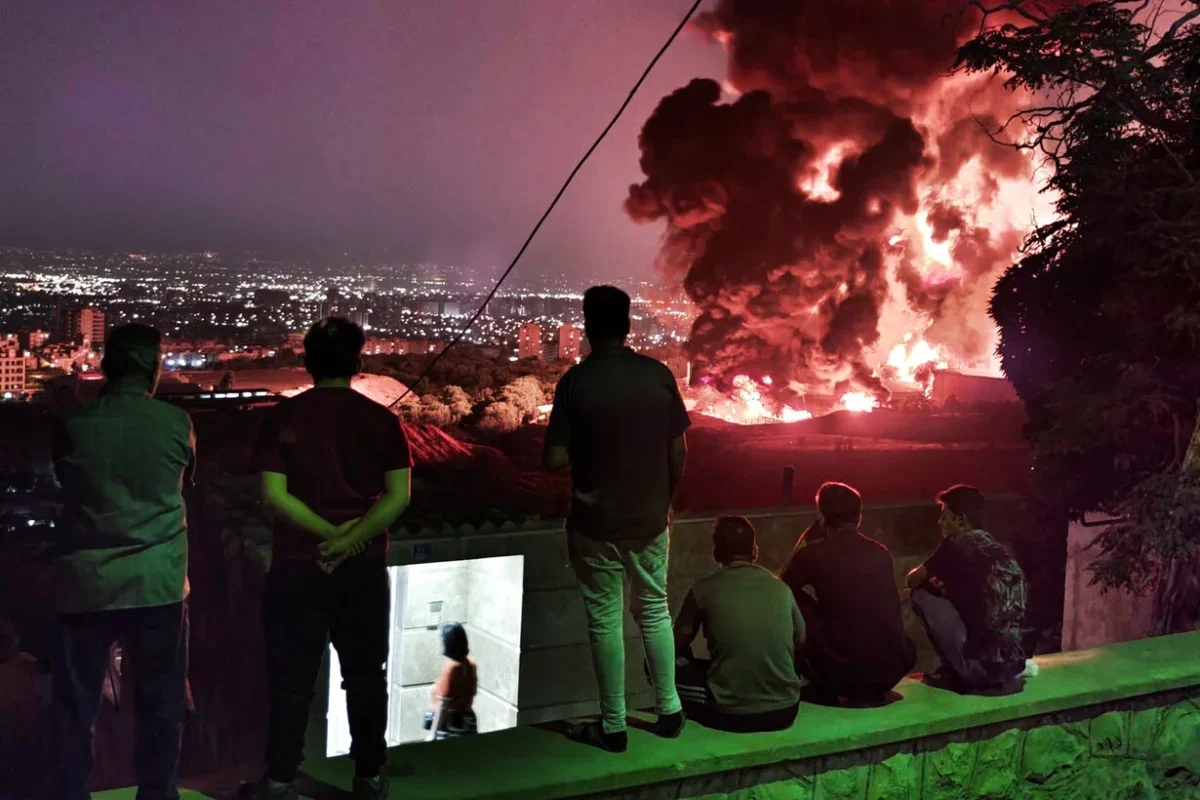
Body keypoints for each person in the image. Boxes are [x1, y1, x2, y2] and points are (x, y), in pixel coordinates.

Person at [243, 317, 413, 800]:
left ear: (307, 362)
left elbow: (274, 496)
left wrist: (326, 537)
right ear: (358, 362)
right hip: (361, 570)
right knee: (364, 676)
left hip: (297, 567)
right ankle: (370, 775)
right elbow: (397, 497)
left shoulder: (283, 420)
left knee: (292, 678)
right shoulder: (383, 421)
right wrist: (351, 539)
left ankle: (279, 780)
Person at [49, 323, 194, 800]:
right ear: (153, 369)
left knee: (76, 705)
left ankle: (71, 791)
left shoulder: (74, 425)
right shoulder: (177, 424)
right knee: (160, 703)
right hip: (158, 584)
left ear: (109, 367)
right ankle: (157, 794)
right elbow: (183, 480)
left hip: (86, 584)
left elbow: (65, 486)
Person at [544, 285, 688, 752]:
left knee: (605, 620)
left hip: (594, 523)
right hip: (650, 520)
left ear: (587, 328)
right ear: (628, 325)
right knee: (654, 609)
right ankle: (669, 711)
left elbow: (553, 459)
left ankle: (614, 725)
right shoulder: (659, 376)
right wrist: (665, 498)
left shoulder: (575, 383)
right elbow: (679, 450)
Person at [780, 482, 915, 705]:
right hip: (891, 671)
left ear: (822, 517)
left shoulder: (813, 554)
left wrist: (804, 540)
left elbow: (780, 590)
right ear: (858, 517)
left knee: (790, 597)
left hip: (845, 676)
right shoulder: (879, 552)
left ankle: (794, 676)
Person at [672, 517, 805, 732]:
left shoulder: (703, 589)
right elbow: (801, 640)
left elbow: (674, 645)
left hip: (732, 715)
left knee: (655, 663)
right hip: (786, 710)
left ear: (716, 554)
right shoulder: (780, 588)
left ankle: (674, 716)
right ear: (755, 551)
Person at [906, 485, 1030, 694]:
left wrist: (932, 584)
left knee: (921, 593)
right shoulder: (997, 551)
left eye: (945, 516)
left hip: (980, 671)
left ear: (960, 519)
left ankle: (950, 670)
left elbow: (913, 579)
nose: (940, 523)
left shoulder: (956, 543)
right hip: (1013, 668)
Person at [426, 623, 478, 741]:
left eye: (442, 639)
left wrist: (432, 733)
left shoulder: (451, 669)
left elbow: (443, 704)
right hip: (467, 719)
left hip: (451, 724)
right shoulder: (471, 664)